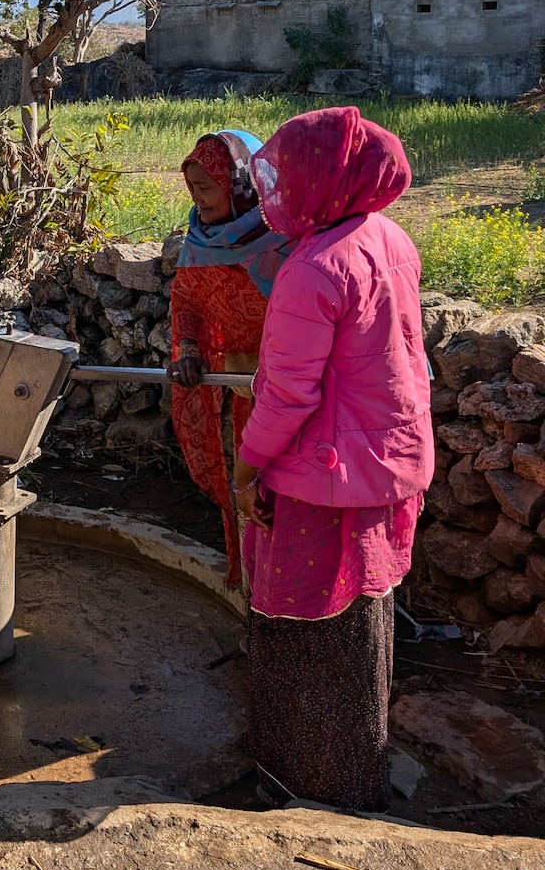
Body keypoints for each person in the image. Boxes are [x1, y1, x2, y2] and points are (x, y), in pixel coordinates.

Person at [234, 106, 432, 811]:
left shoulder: (313, 267)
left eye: (289, 175)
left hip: (320, 477)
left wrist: (246, 466)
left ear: (323, 179)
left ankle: (295, 783)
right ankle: (354, 773)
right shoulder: (388, 238)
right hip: (385, 463)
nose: (279, 188)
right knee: (360, 623)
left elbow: (287, 394)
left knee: (299, 629)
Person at [167, 130, 294, 584]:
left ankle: (291, 603)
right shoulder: (201, 237)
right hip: (245, 387)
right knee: (253, 493)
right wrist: (190, 349)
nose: (197, 199)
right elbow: (186, 299)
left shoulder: (284, 238)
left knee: (292, 498)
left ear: (241, 183)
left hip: (296, 393)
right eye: (193, 188)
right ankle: (258, 600)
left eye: (206, 188)